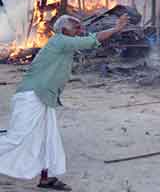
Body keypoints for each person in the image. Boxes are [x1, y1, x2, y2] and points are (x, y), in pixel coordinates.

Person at [0, 13, 128, 190]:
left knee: (48, 139)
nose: (80, 30)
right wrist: (116, 29)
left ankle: (47, 178)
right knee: (17, 138)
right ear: (65, 30)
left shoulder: (64, 44)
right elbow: (91, 41)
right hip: (32, 95)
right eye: (76, 27)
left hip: (45, 97)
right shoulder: (60, 41)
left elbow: (86, 41)